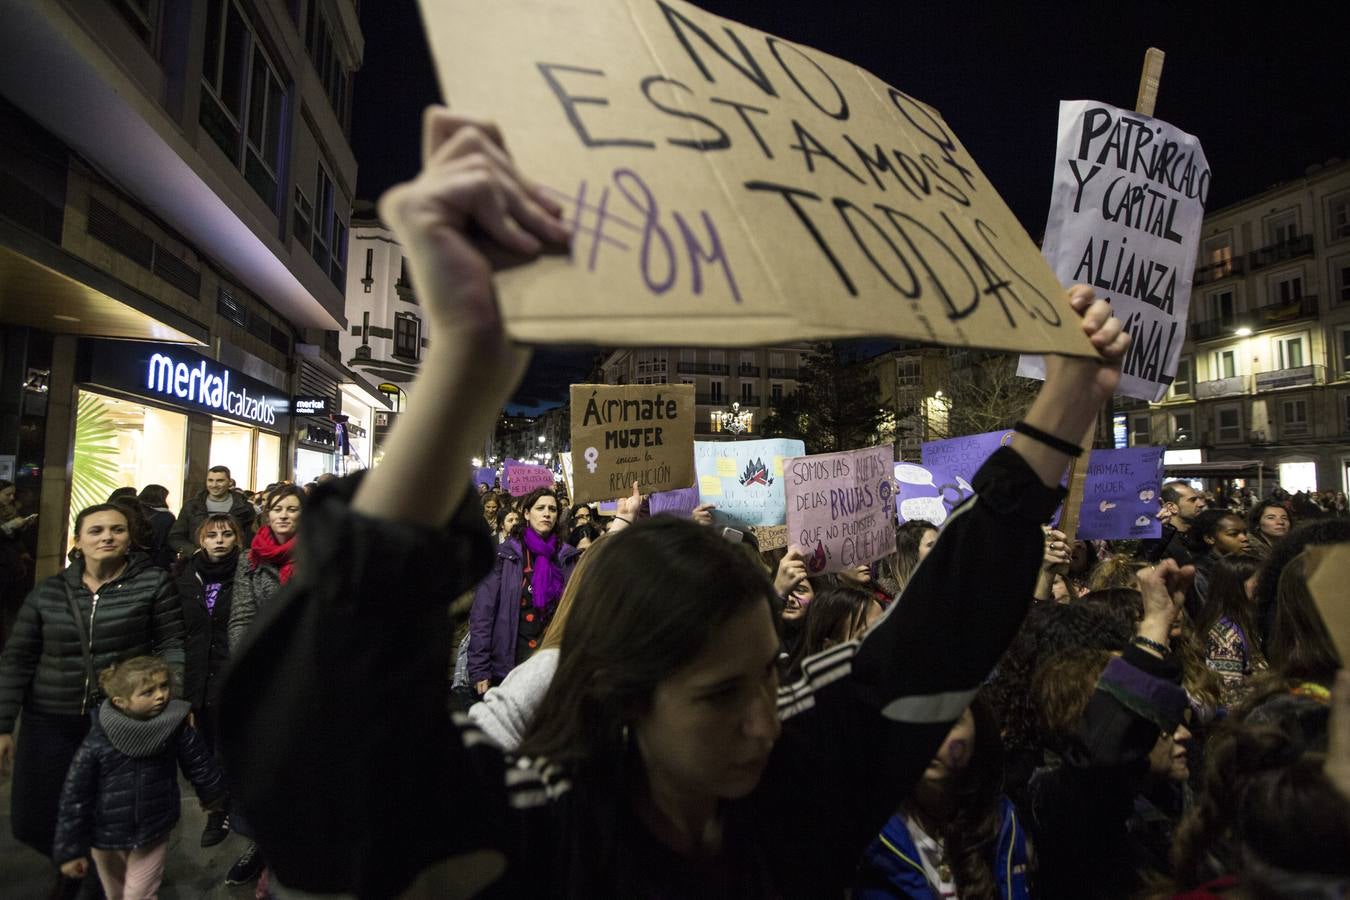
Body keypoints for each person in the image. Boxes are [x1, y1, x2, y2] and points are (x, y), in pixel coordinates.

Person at [215, 111, 1130, 898]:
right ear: (622, 699)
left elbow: (943, 630)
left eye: (772, 673)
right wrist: (465, 370)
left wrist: (1065, 406)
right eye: (720, 695)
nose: (765, 720)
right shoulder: (543, 826)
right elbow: (317, 784)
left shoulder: (793, 780)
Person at [0, 503, 183, 895]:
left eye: (116, 530)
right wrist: (3, 725)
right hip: (48, 719)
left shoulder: (152, 584)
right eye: (96, 530)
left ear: (129, 538)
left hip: (114, 721)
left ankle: (86, 882)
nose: (107, 537)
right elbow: (17, 659)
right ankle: (74, 868)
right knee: (34, 818)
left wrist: (170, 701)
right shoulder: (50, 591)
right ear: (78, 540)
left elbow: (171, 645)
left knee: (107, 813)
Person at [1026, 562, 1194, 900]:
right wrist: (1155, 624)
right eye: (1154, 726)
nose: (1183, 734)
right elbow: (1104, 749)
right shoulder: (1064, 799)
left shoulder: (1161, 795)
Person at [52, 656, 225, 899]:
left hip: (152, 829)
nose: (161, 695)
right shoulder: (99, 739)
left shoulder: (175, 724)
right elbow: (75, 794)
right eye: (148, 691)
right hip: (105, 833)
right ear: (120, 701)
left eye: (164, 686)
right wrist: (69, 851)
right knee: (115, 894)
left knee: (139, 895)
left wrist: (213, 795)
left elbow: (199, 763)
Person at [856, 693, 1030, 899]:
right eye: (917, 719)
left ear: (978, 735)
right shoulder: (873, 828)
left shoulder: (999, 822)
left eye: (949, 721)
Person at [469, 485, 580, 695]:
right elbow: (483, 613)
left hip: (553, 664)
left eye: (552, 509)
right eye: (540, 508)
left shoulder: (566, 558)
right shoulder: (504, 556)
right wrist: (480, 668)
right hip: (511, 664)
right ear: (526, 514)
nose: (547, 513)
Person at [175, 513, 241, 847]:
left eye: (226, 534)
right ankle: (217, 804)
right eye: (212, 535)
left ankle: (223, 811)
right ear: (201, 539)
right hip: (197, 673)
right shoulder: (185, 574)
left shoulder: (246, 573)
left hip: (231, 673)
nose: (219, 540)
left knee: (228, 747)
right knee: (204, 744)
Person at [1195, 554, 1266, 710]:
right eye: (1259, 581)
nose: (1265, 587)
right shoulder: (1226, 636)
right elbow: (1229, 697)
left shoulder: (1248, 624)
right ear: (1236, 587)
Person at [167, 466, 257, 560]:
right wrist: (194, 552)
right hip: (197, 562)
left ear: (229, 482)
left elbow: (251, 537)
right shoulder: (191, 506)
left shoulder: (245, 507)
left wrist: (240, 554)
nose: (214, 485)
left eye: (220, 480)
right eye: (210, 480)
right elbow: (175, 536)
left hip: (234, 563)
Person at [1143, 481, 1207, 566]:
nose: (1201, 504)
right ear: (1171, 507)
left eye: (1199, 499)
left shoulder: (1199, 535)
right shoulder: (1161, 543)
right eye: (1193, 500)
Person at [875, 520, 939, 600]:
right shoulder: (882, 602)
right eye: (931, 545)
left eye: (941, 542)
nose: (941, 548)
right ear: (910, 553)